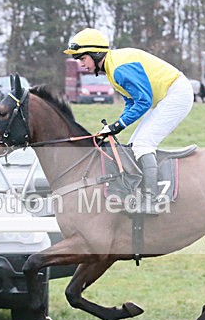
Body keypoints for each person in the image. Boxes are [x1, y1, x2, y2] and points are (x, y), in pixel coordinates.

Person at [63, 28, 194, 214]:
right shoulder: (110, 68)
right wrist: (114, 126)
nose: (81, 64)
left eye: (82, 58)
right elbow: (131, 101)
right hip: (166, 95)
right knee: (134, 145)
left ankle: (151, 200)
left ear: (96, 53)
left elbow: (144, 101)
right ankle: (139, 193)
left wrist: (117, 126)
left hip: (176, 94)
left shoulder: (118, 69)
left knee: (143, 144)